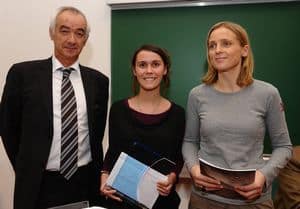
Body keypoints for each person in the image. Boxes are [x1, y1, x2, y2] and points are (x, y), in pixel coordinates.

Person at [0, 6, 109, 209]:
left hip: (84, 183)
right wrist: (28, 168)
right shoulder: (22, 74)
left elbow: (96, 134)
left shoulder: (99, 82)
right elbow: (8, 128)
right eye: (64, 30)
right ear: (52, 33)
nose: (72, 40)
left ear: (85, 39)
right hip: (37, 185)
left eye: (79, 33)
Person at [182, 21, 293, 209]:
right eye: (212, 45)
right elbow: (190, 142)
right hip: (204, 200)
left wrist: (263, 176)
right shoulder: (197, 95)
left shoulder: (268, 93)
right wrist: (193, 169)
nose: (217, 50)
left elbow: (283, 147)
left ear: (244, 50)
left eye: (226, 43)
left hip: (253, 202)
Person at [100, 44, 185, 209]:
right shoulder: (118, 109)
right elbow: (113, 150)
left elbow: (178, 157)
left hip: (161, 200)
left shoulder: (178, 113)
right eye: (142, 65)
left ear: (165, 69)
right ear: (134, 70)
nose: (149, 71)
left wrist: (173, 177)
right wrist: (104, 175)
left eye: (155, 64)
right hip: (120, 200)